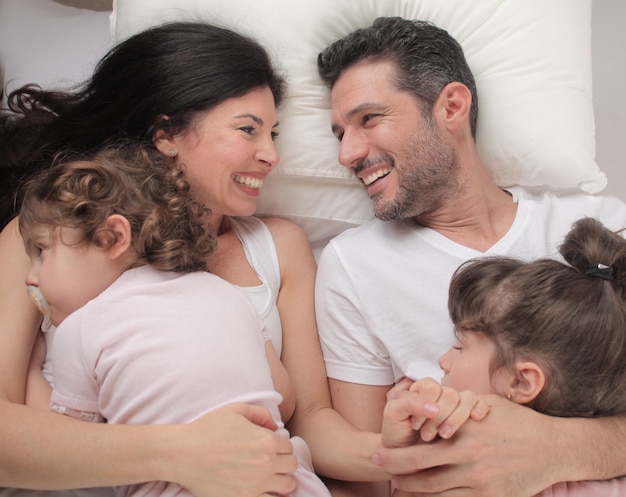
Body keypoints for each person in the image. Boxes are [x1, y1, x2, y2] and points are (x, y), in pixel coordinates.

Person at [0, 20, 410, 497]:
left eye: (273, 133)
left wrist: (393, 458)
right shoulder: (47, 242)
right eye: (247, 130)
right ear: (166, 135)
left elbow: (308, 418)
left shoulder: (280, 247)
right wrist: (182, 453)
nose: (270, 155)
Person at [315, 16, 626, 497]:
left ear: (452, 106)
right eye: (340, 134)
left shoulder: (601, 227)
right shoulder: (352, 265)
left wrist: (559, 446)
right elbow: (364, 479)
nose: (347, 153)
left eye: (369, 119)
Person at [18, 142, 331, 497]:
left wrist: (29, 368)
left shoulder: (82, 327)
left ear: (112, 237)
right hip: (289, 480)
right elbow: (284, 398)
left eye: (41, 252)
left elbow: (72, 445)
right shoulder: (226, 293)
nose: (31, 276)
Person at [382, 216, 626, 497]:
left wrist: (417, 451)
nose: (443, 361)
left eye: (460, 347)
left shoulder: (466, 481)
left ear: (521, 382)